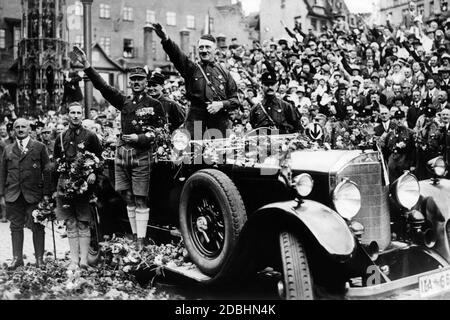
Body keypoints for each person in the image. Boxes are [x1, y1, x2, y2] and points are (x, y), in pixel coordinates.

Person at [70, 46, 167, 250]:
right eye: (133, 79)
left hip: (142, 155)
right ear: (130, 82)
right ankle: (134, 236)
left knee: (141, 198)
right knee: (128, 196)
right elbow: (104, 88)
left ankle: (141, 240)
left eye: (140, 79)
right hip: (123, 155)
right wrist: (87, 67)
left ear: (146, 81)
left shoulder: (155, 104)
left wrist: (139, 137)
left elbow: (160, 132)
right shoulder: (125, 102)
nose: (136, 82)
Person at [151, 22, 239, 139]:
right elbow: (177, 55)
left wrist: (221, 104)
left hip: (219, 121)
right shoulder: (191, 69)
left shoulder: (225, 73)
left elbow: (235, 101)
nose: (204, 50)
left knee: (219, 154)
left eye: (208, 47)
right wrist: (165, 39)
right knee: (194, 153)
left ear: (215, 50)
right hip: (196, 121)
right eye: (201, 47)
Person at [53, 102, 103, 269]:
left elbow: (99, 159)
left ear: (83, 115)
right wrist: (56, 188)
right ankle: (74, 260)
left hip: (83, 185)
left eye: (78, 113)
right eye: (72, 112)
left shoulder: (90, 136)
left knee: (83, 222)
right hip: (65, 183)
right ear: (68, 114)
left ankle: (84, 261)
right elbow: (56, 162)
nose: (75, 116)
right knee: (70, 222)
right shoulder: (60, 137)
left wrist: (94, 173)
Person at [0, 118, 52, 269]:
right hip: (13, 193)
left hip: (34, 194)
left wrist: (47, 194)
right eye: (17, 127)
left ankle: (40, 259)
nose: (21, 129)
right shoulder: (8, 149)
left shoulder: (39, 147)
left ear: (29, 129)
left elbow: (47, 171)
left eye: (24, 127)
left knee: (37, 225)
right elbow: (2, 173)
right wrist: (2, 194)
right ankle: (17, 259)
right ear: (14, 130)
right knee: (15, 227)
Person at [380, 110, 416, 182]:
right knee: (392, 182)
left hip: (405, 160)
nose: (399, 121)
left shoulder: (410, 133)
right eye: (397, 119)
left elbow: (413, 150)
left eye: (401, 119)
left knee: (404, 183)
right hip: (392, 161)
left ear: (404, 119)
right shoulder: (390, 134)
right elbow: (386, 149)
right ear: (394, 120)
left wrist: (413, 164)